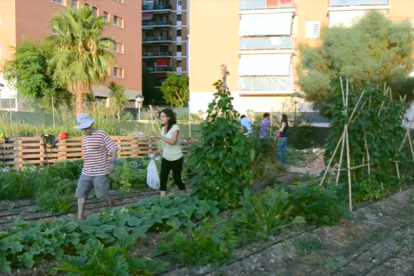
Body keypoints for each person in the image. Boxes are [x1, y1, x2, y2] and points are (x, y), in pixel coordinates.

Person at [74, 113, 119, 220]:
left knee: (101, 194)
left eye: (86, 129)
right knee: (81, 193)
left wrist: (112, 162)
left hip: (100, 171)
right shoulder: (85, 136)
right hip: (86, 171)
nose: (84, 131)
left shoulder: (101, 134)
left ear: (92, 124)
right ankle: (80, 217)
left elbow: (113, 149)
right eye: (83, 129)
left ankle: (111, 204)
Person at [152, 108, 186, 197]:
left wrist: (160, 137)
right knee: (163, 178)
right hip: (166, 157)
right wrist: (158, 151)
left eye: (163, 116)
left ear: (169, 117)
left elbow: (173, 142)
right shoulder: (163, 129)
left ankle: (186, 195)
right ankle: (162, 200)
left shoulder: (175, 127)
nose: (161, 118)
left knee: (177, 179)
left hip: (177, 158)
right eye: (160, 117)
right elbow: (165, 144)